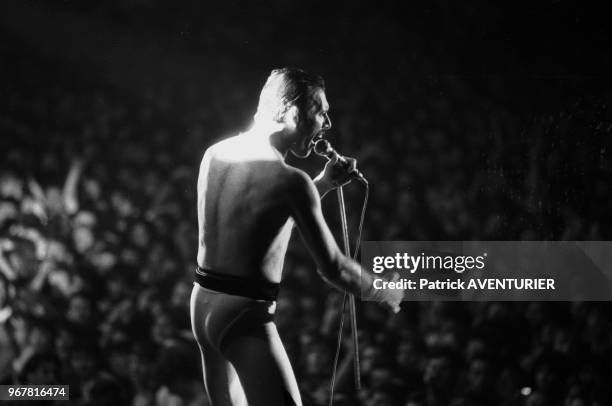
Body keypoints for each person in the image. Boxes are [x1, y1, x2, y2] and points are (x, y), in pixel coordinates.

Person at [190, 67, 404, 406]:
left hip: (202, 304)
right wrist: (382, 291)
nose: (327, 125)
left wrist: (323, 183)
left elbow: (260, 219)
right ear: (292, 112)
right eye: (321, 112)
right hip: (245, 314)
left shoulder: (215, 153)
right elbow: (334, 268)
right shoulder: (290, 181)